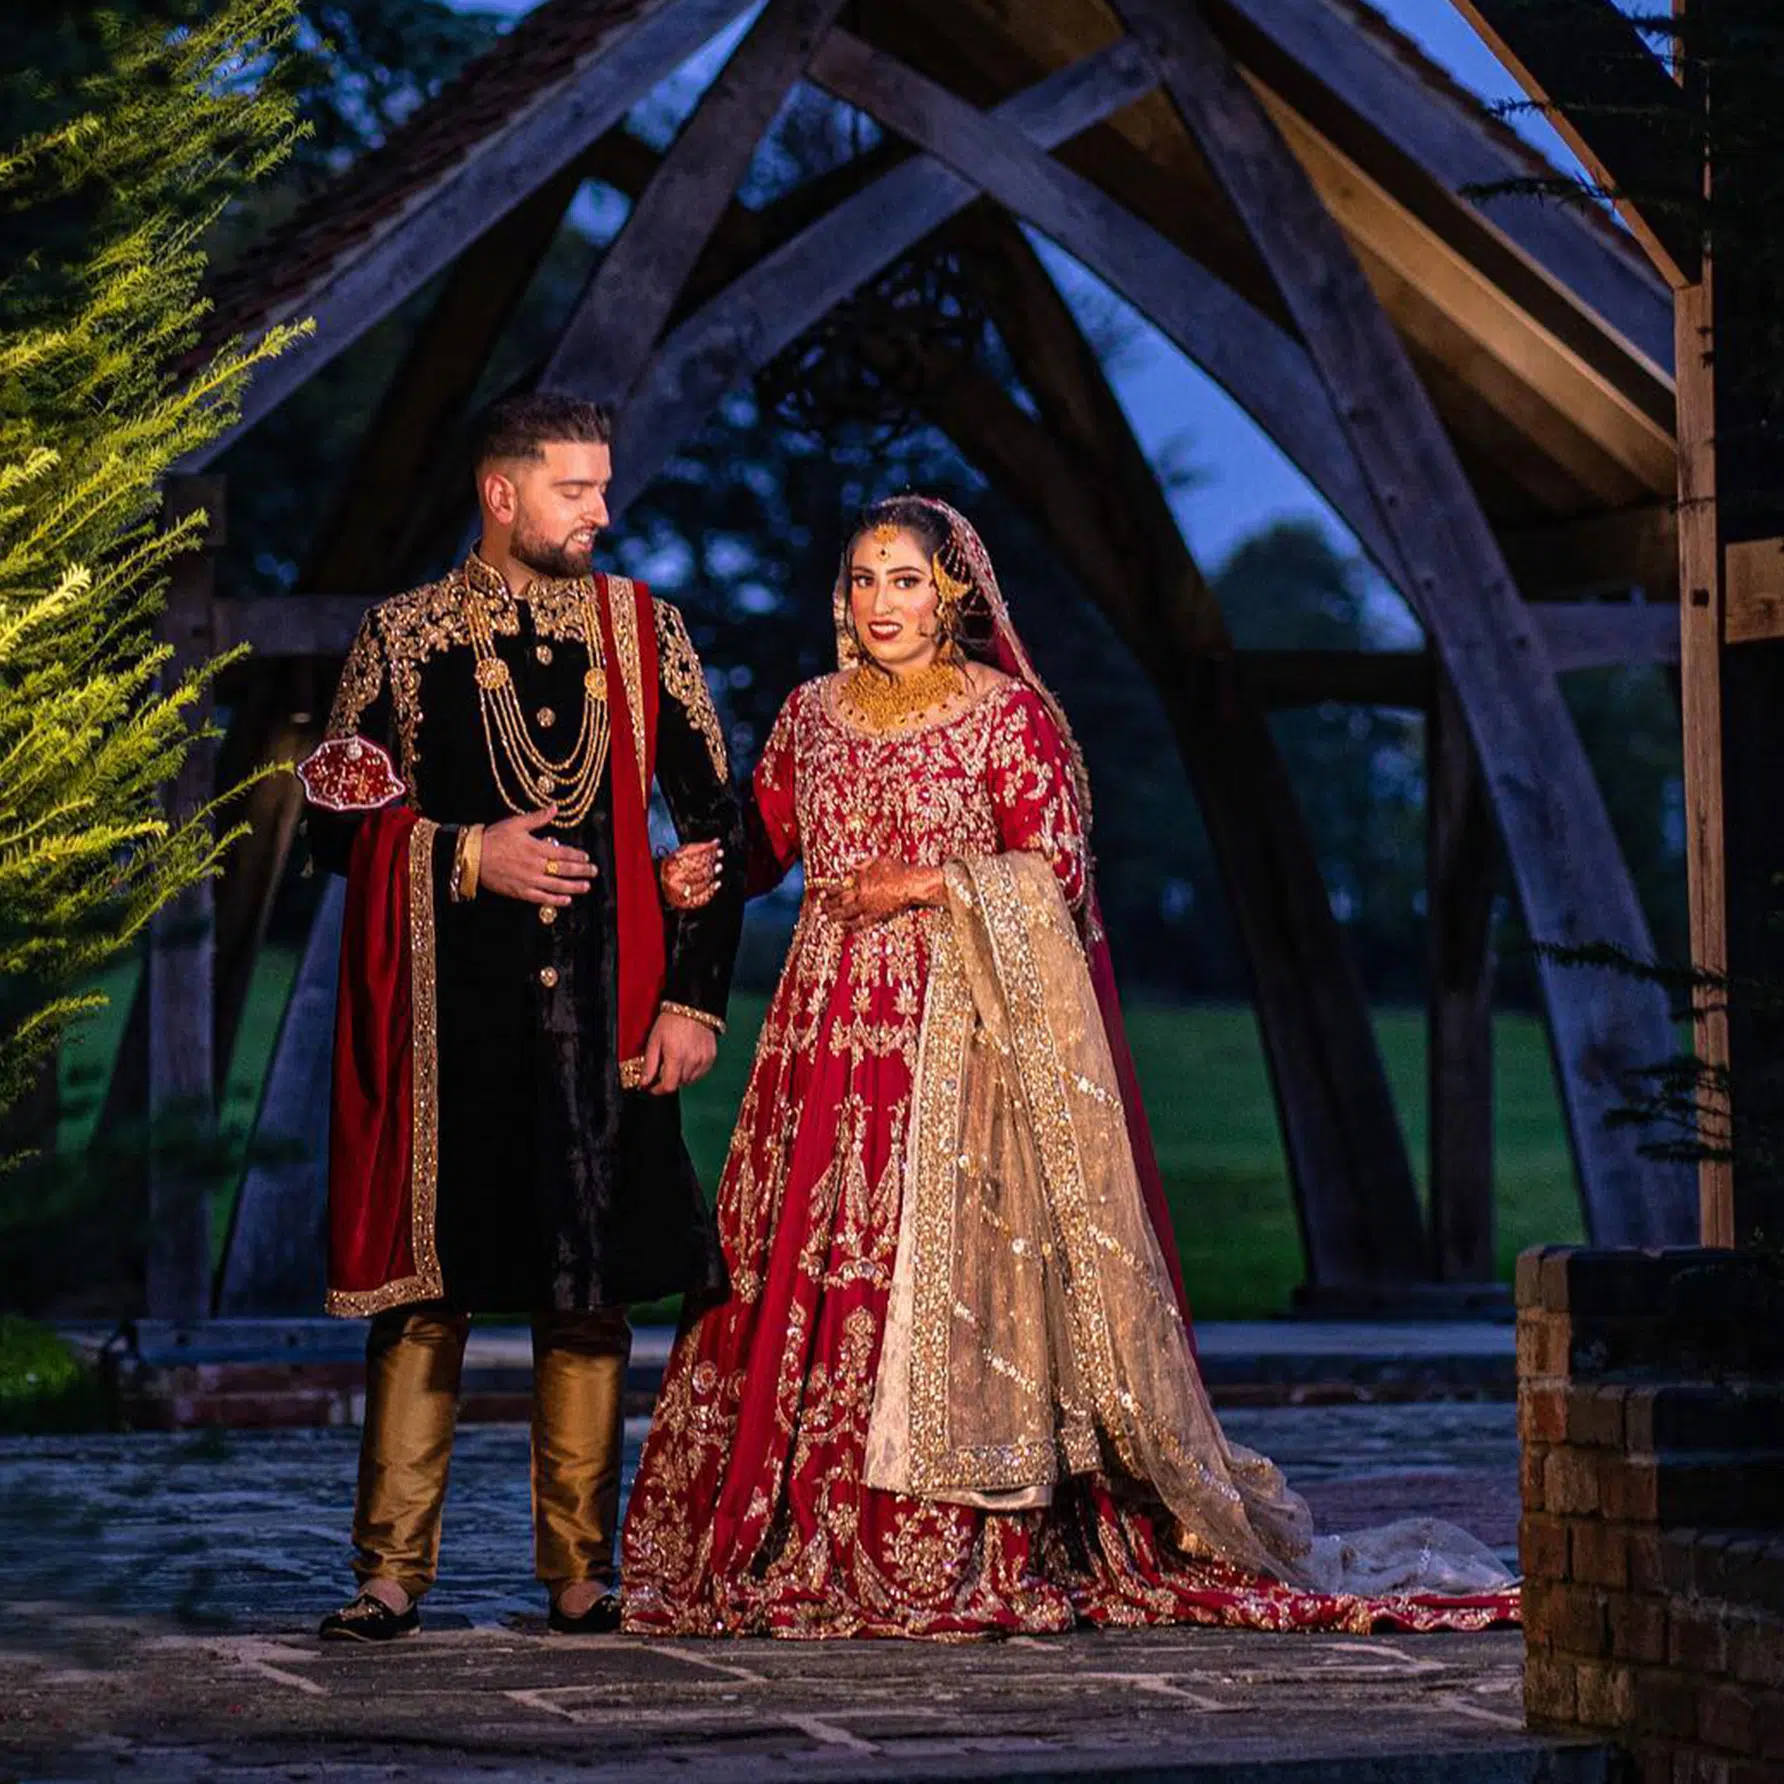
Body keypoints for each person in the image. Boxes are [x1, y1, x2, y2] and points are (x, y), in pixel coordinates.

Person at [622, 494, 1518, 1639]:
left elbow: (1053, 879)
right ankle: (794, 1526)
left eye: (904, 580)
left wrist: (925, 884)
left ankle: (947, 1532)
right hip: (820, 1051)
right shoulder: (809, 715)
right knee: (803, 1270)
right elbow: (765, 840)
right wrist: (700, 869)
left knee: (924, 1280)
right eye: (861, 579)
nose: (881, 603)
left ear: (952, 595)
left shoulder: (1007, 720)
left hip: (963, 1061)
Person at [298, 392, 744, 1641]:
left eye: (603, 488)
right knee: (426, 1292)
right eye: (574, 489)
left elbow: (720, 820)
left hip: (603, 1018)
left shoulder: (645, 631)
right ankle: (390, 1571)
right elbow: (333, 818)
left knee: (584, 1288)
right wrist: (460, 854)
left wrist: (692, 997)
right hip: (447, 1023)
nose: (603, 512)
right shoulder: (403, 636)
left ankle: (580, 1571)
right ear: (501, 495)